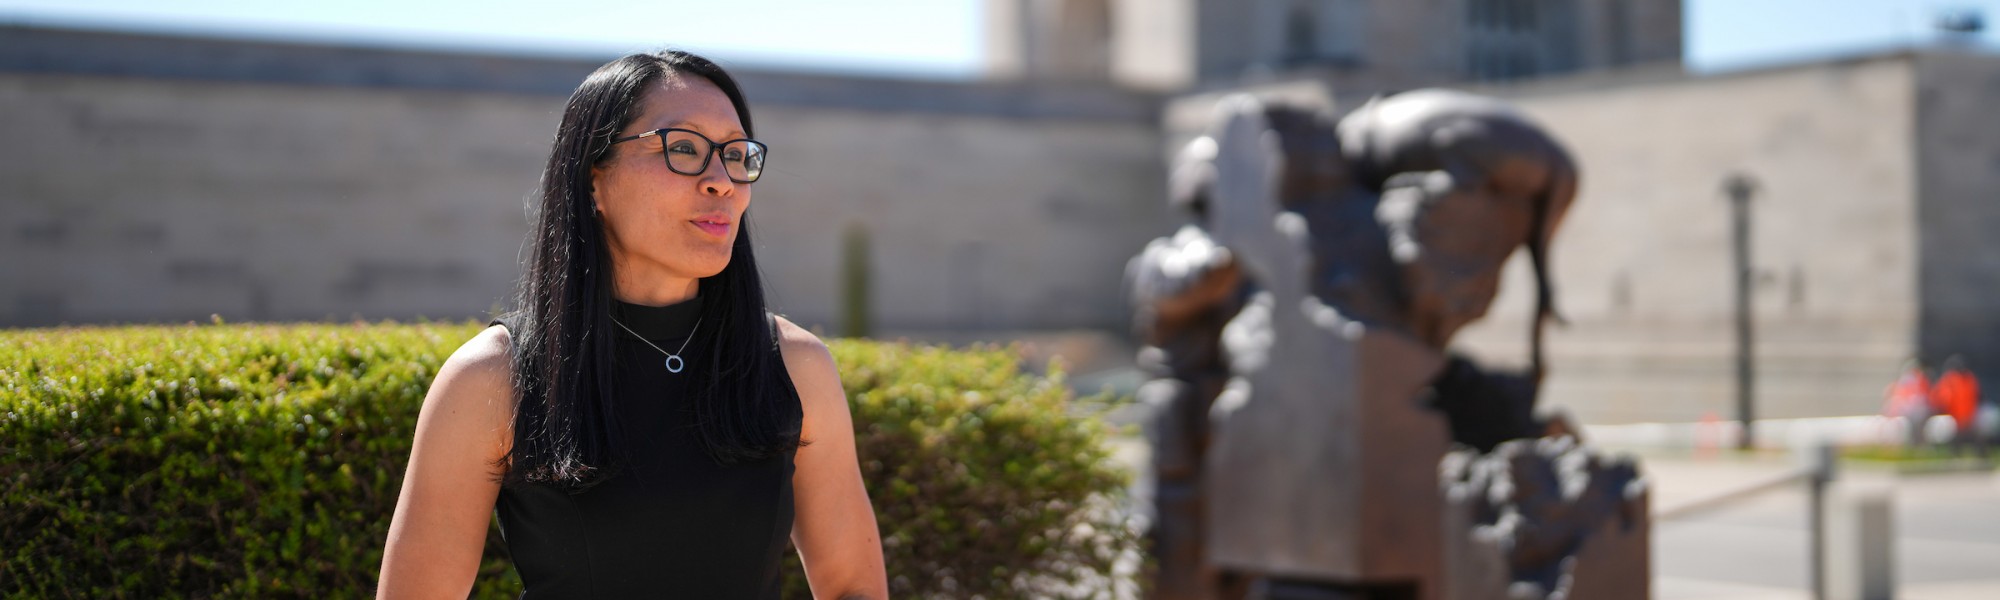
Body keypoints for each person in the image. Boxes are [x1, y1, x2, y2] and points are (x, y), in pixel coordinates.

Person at [377, 51, 887, 598]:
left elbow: (852, 586)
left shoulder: (795, 364)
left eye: (736, 155)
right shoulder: (492, 377)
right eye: (684, 148)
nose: (722, 181)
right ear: (594, 178)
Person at [1933, 355, 1980, 444]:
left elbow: (1977, 397)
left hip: (1968, 418)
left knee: (1974, 435)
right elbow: (1941, 400)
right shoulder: (1949, 380)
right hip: (1952, 418)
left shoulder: (1970, 379)